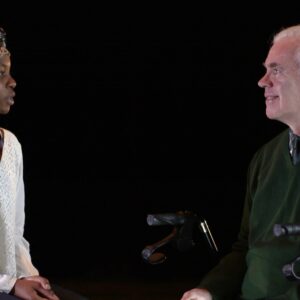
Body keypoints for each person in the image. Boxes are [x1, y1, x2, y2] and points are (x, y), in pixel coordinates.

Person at [180, 24, 300, 300]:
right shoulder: (266, 158)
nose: (262, 81)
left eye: (276, 70)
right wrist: (210, 289)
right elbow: (247, 247)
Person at [0, 27, 88, 300]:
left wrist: (29, 278)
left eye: (9, 72)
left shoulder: (11, 145)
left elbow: (15, 235)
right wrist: (9, 284)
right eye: (1, 73)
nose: (12, 82)